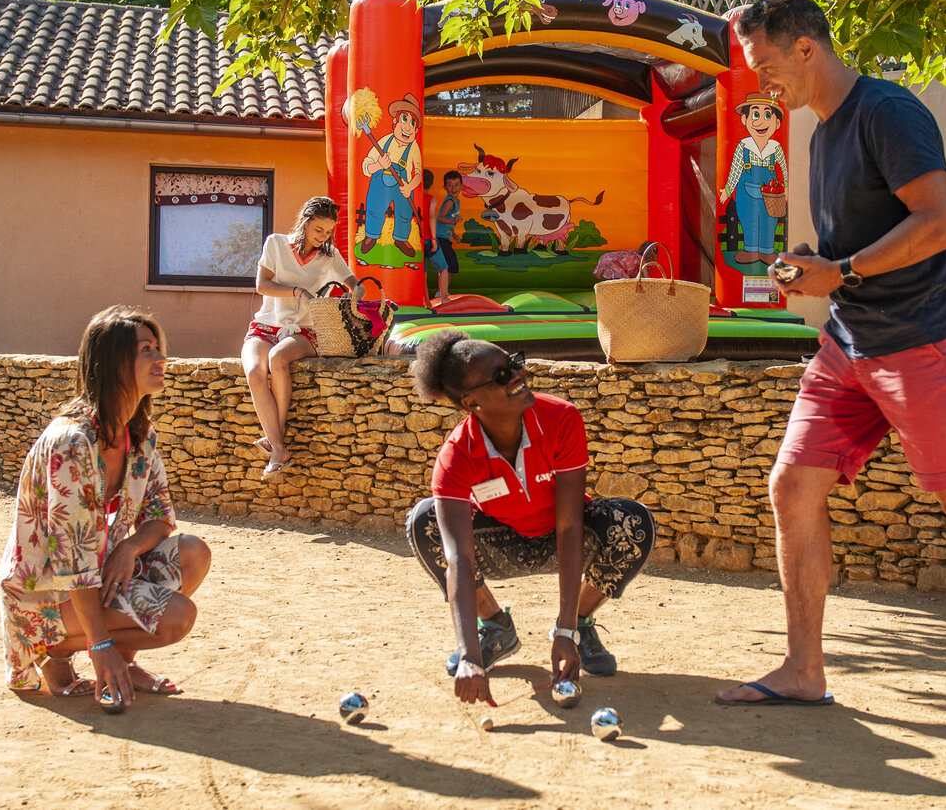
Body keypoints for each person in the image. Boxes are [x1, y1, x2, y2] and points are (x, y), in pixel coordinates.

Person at [715, 0, 946, 746]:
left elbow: (941, 223)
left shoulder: (887, 112)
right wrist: (813, 265)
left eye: (765, 65)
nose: (760, 82)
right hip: (849, 343)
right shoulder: (821, 134)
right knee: (792, 485)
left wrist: (841, 271)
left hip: (920, 340)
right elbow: (853, 249)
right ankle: (804, 670)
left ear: (806, 48)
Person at [406, 331, 655, 703]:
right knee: (424, 521)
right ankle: (495, 628)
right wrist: (469, 656)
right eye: (501, 375)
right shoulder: (456, 456)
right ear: (471, 401)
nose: (518, 374)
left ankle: (580, 622)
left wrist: (565, 632)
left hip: (562, 538)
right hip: (501, 543)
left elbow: (569, 525)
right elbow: (459, 559)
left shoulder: (561, 419)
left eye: (514, 363)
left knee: (631, 522)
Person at [0, 305, 212, 713]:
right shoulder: (72, 443)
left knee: (193, 553)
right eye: (146, 350)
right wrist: (99, 646)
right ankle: (58, 653)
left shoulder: (139, 437)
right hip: (45, 594)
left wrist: (129, 548)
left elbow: (159, 517)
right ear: (113, 361)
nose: (161, 358)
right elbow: (70, 558)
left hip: (97, 575)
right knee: (177, 617)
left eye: (158, 348)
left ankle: (124, 662)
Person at [242, 196, 362, 480]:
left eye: (329, 231)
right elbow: (262, 285)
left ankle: (276, 444)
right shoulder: (275, 243)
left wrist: (352, 298)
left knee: (277, 359)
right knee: (254, 372)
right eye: (319, 229)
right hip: (264, 327)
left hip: (305, 330)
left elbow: (356, 286)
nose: (323, 236)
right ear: (305, 223)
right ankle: (279, 446)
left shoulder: (330, 255)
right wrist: (297, 291)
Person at [719, 92, 788, 266]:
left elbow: (783, 168)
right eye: (755, 114)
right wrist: (727, 190)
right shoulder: (744, 146)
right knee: (747, 218)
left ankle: (766, 251)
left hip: (770, 195)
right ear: (745, 119)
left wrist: (786, 186)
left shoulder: (775, 147)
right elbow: (735, 170)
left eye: (767, 115)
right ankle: (750, 249)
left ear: (777, 123)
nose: (761, 121)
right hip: (745, 192)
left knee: (769, 220)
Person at [357, 93, 423, 258]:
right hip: (380, 181)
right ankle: (371, 236)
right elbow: (366, 165)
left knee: (404, 212)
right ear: (395, 121)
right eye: (404, 119)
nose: (408, 127)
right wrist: (379, 165)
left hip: (403, 184)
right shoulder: (384, 141)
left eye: (412, 123)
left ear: (416, 130)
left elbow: (418, 173)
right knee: (374, 208)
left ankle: (401, 239)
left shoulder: (414, 147)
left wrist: (409, 187)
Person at [428, 170, 464, 302]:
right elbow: (441, 218)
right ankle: (441, 292)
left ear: (461, 186)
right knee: (449, 265)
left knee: (451, 266)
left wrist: (454, 235)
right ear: (445, 187)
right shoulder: (450, 202)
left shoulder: (456, 201)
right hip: (440, 238)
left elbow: (447, 222)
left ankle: (443, 290)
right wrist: (454, 221)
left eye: (456, 184)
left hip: (445, 238)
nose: (453, 188)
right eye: (450, 185)